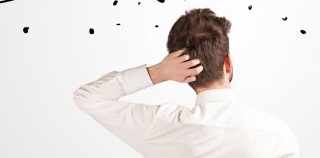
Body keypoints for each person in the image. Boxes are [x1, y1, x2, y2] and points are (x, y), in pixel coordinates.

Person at [73, 8, 300, 157]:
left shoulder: (161, 125)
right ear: (227, 63)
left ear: (183, 75)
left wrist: (158, 72)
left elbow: (88, 97)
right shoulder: (277, 133)